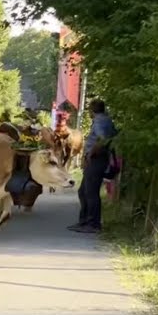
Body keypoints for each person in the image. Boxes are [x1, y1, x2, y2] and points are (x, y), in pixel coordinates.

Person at [70, 99, 118, 233]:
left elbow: (102, 139)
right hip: (99, 159)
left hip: (96, 160)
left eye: (89, 109)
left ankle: (93, 224)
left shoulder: (99, 121)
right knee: (84, 191)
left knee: (91, 192)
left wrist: (90, 154)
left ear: (92, 110)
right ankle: (84, 221)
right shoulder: (106, 120)